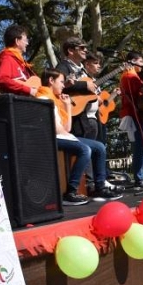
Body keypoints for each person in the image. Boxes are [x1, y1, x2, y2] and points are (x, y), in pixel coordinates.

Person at [36, 68, 121, 205]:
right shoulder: (44, 98)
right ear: (51, 81)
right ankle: (70, 191)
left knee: (99, 147)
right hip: (51, 138)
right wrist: (72, 137)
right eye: (61, 82)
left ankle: (99, 187)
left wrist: (68, 107)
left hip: (62, 135)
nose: (64, 85)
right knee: (85, 149)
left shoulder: (57, 100)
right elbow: (57, 130)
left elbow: (67, 128)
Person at [119, 51, 143, 191]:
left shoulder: (130, 76)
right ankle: (140, 179)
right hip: (134, 115)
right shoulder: (131, 76)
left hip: (137, 114)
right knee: (141, 149)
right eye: (141, 62)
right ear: (133, 61)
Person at [0, 24, 39, 96]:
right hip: (17, 104)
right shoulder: (7, 58)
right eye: (25, 40)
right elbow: (2, 79)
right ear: (17, 41)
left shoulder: (21, 62)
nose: (27, 43)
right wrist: (29, 90)